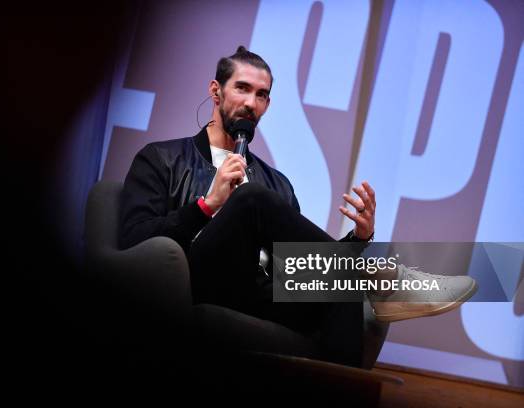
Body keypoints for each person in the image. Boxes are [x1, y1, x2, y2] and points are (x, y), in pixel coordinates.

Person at [118, 46, 476, 367]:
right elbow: (133, 239)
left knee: (339, 285)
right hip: (196, 283)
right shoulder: (162, 159)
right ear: (216, 91)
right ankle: (384, 281)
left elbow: (303, 267)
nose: (250, 103)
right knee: (251, 199)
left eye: (261, 95)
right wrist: (207, 205)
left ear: (267, 105)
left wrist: (358, 238)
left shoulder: (276, 184)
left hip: (258, 293)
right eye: (242, 88)